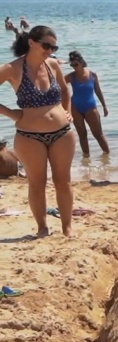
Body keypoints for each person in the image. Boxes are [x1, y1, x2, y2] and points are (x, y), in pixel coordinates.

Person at [0, 26, 75, 237]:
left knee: (63, 181)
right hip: (29, 136)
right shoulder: (12, 68)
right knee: (36, 183)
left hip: (63, 133)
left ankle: (67, 227)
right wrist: (12, 114)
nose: (50, 51)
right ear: (32, 42)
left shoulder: (52, 65)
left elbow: (65, 90)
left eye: (54, 47)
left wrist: (68, 111)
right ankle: (42, 228)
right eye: (46, 46)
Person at [66, 51, 110, 157]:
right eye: (72, 65)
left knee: (98, 135)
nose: (74, 67)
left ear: (81, 62)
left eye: (76, 64)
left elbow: (98, 91)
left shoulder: (92, 75)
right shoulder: (71, 76)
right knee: (82, 135)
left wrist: (104, 106)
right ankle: (86, 159)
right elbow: (58, 87)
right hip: (75, 108)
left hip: (91, 108)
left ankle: (107, 157)